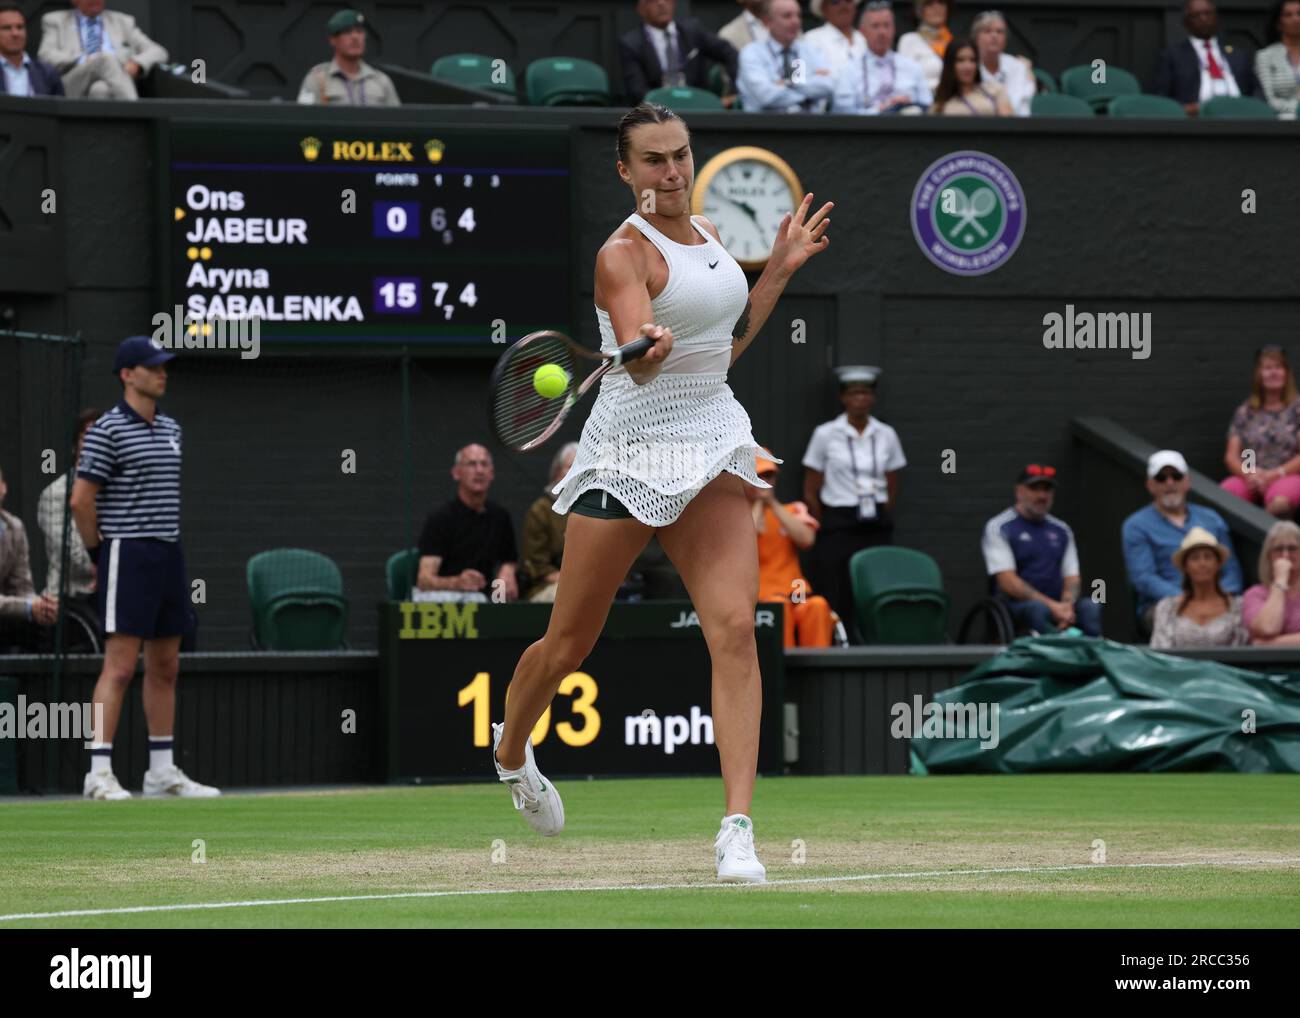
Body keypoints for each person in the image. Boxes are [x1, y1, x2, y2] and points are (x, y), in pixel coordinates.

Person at [491, 102, 831, 884]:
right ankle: (512, 751)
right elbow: (642, 365)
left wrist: (775, 271)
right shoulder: (623, 257)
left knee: (736, 629)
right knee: (570, 644)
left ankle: (737, 830)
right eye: (654, 161)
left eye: (680, 155)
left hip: (710, 436)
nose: (672, 172)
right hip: (631, 449)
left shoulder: (710, 236)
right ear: (625, 171)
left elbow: (726, 349)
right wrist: (647, 351)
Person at [70, 337, 218, 800]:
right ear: (127, 374)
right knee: (119, 666)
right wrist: (101, 553)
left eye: (163, 367)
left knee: (166, 664)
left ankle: (160, 771)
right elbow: (81, 500)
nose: (162, 373)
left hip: (168, 554)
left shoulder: (173, 428)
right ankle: (98, 773)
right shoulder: (107, 430)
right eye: (152, 367)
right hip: (127, 554)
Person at [801, 366, 906, 640]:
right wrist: (825, 519)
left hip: (875, 520)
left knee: (878, 580)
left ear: (873, 398)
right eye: (854, 393)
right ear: (843, 398)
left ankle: (876, 638)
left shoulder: (886, 434)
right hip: (838, 520)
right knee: (836, 584)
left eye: (866, 393)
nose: (860, 398)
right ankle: (837, 639)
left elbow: (893, 480)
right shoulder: (826, 434)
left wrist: (884, 509)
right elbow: (811, 486)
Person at [1123, 450, 1243, 635]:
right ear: (1150, 485)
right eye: (1161, 478)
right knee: (1185, 627)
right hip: (1165, 604)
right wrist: (1187, 598)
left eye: (1176, 476)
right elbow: (1144, 578)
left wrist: (1220, 597)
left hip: (1218, 599)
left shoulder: (1212, 519)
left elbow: (1232, 570)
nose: (1170, 483)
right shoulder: (1136, 525)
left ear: (1187, 482)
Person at [981, 463, 1103, 636]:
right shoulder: (999, 527)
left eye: (1047, 490)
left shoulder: (1062, 530)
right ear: (1019, 491)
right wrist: (1052, 607)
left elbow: (1072, 578)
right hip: (1016, 606)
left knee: (1091, 606)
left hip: (1057, 604)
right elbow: (1007, 581)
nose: (1042, 495)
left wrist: (1067, 607)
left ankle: (1092, 659)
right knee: (1038, 610)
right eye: (1034, 488)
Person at [746, 448, 833, 648]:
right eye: (759, 476)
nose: (765, 481)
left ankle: (818, 672)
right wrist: (759, 503)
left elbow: (807, 540)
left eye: (769, 475)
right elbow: (748, 540)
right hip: (763, 596)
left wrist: (773, 504)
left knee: (817, 607)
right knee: (780, 608)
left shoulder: (792, 510)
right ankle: (782, 671)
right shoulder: (740, 515)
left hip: (796, 591)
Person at [415, 444, 519, 604]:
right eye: (471, 464)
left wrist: (507, 572)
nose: (479, 470)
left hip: (486, 599)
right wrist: (457, 582)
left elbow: (509, 560)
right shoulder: (440, 518)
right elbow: (424, 580)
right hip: (445, 602)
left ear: (492, 474)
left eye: (484, 464)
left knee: (505, 597)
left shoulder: (500, 516)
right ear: (456, 473)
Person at [1221, 345, 1300, 517]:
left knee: (1280, 504)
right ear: (1259, 375)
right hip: (1250, 476)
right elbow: (1231, 455)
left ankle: (1264, 539)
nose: (1273, 373)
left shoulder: (1297, 409)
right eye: (1268, 368)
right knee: (1225, 494)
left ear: (1286, 373)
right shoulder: (1246, 412)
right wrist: (1250, 474)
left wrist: (1274, 474)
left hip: (1286, 475)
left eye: (1278, 367)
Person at [38, 0, 167, 100]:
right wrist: (82, 59)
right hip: (72, 84)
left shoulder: (123, 22)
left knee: (100, 90)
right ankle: (138, 114)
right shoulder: (55, 21)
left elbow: (158, 51)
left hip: (114, 82)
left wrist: (137, 63)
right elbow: (45, 55)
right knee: (105, 58)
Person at [618, 0, 739, 106]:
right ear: (640, 9)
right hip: (657, 115)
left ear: (674, 3)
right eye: (652, 0)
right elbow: (637, 92)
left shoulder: (693, 31)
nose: (661, 3)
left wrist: (733, 92)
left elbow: (729, 53)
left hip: (697, 107)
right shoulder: (631, 44)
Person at [1154, 0, 1261, 116]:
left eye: (1207, 13)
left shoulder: (1238, 55)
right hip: (1196, 119)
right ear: (1186, 23)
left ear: (1216, 17)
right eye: (1196, 15)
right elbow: (1162, 97)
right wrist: (1183, 109)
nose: (1203, 19)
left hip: (1239, 115)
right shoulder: (1173, 55)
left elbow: (1257, 90)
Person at [38, 407, 101, 604]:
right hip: (70, 601)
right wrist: (109, 566)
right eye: (87, 437)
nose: (94, 445)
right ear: (75, 446)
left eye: (100, 439)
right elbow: (70, 555)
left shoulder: (118, 493)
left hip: (111, 597)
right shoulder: (55, 494)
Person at [1150, 527, 1247, 649]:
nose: (1202, 563)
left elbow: (1241, 649)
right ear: (1185, 566)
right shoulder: (1167, 608)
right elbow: (1160, 652)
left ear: (1217, 564)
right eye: (1195, 558)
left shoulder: (1238, 607)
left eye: (1208, 557)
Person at [832, 0, 932, 114]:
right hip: (865, 129)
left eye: (886, 25)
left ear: (894, 29)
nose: (882, 32)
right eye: (875, 26)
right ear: (862, 32)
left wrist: (908, 104)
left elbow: (928, 106)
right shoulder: (848, 71)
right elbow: (843, 114)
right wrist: (881, 109)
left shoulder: (913, 67)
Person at [737, 0, 837, 113]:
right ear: (767, 21)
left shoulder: (810, 50)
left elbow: (828, 86)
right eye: (787, 16)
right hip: (765, 126)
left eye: (798, 15)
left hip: (810, 125)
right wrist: (808, 95)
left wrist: (787, 83)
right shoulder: (752, 53)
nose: (795, 21)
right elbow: (766, 96)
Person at [0, 466, 59, 653]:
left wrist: (42, 606)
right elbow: (24, 604)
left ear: (4, 488)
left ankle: (33, 682)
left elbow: (22, 588)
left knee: (45, 625)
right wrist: (28, 606)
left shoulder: (14, 527)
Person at [297, 8, 399, 106]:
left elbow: (396, 120)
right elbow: (303, 117)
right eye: (347, 32)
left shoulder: (381, 81)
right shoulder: (318, 80)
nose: (355, 37)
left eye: (359, 31)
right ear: (333, 40)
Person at [521, 442, 576, 603]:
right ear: (557, 472)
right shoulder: (541, 511)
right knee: (571, 597)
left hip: (587, 585)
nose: (576, 473)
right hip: (546, 586)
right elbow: (536, 565)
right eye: (571, 466)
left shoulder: (592, 510)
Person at [1242, 520, 1300, 644]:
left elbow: (1260, 644)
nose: (1285, 555)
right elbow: (1267, 628)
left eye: (1292, 548)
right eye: (1278, 549)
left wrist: (1268, 644)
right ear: (1268, 555)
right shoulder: (1254, 594)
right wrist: (1280, 581)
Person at [971, 10, 1035, 117]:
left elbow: (1022, 108)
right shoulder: (969, 66)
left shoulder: (1018, 67)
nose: (994, 35)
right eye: (987, 31)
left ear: (1005, 39)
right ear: (976, 37)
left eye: (999, 32)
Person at [929, 37, 1013, 115]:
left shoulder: (995, 90)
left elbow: (1008, 125)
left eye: (972, 60)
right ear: (950, 64)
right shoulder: (940, 102)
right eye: (960, 60)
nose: (967, 66)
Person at [0, 3, 64, 96]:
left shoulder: (47, 73)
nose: (15, 33)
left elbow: (60, 108)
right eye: (7, 28)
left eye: (20, 27)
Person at [1254, 0, 1300, 118]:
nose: (1296, 19)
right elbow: (1267, 99)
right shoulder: (1265, 56)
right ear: (1278, 23)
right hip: (1282, 122)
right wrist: (1297, 108)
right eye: (1288, 15)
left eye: (1299, 14)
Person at [897, 0, 952, 93]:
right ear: (919, 10)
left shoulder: (952, 41)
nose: (937, 7)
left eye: (941, 2)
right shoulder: (910, 40)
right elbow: (905, 80)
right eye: (929, 4)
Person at [804, 0, 866, 81]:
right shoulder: (810, 40)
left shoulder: (864, 39)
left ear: (855, 8)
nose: (843, 6)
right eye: (835, 2)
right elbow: (799, 80)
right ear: (824, 9)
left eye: (848, 1)